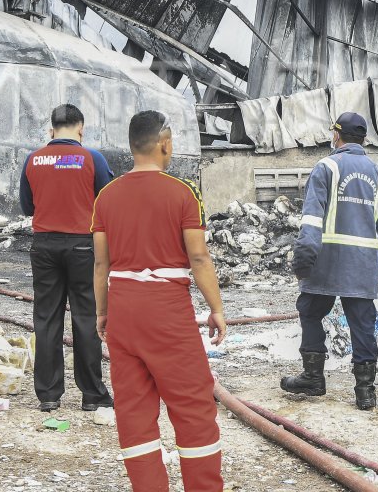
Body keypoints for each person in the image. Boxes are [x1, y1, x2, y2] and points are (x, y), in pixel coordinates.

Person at [93, 110, 226, 491]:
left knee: (134, 411)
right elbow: (198, 257)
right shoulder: (183, 193)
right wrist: (216, 309)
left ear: (132, 146)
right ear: (165, 144)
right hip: (167, 309)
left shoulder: (106, 197)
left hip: (123, 307)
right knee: (193, 408)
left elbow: (101, 263)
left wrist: (104, 311)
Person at [281, 112, 378, 411]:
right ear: (363, 138)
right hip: (362, 263)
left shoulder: (327, 167)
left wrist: (302, 262)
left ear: (337, 135)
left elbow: (311, 221)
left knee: (310, 311)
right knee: (362, 324)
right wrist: (370, 254)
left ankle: (313, 378)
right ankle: (365, 393)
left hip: (326, 262)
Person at [19, 103, 115, 413]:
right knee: (86, 317)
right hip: (83, 246)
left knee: (46, 317)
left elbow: (27, 207)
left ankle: (48, 394)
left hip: (44, 245)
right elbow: (109, 199)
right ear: (80, 128)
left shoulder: (33, 159)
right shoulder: (93, 159)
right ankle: (92, 394)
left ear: (52, 129)